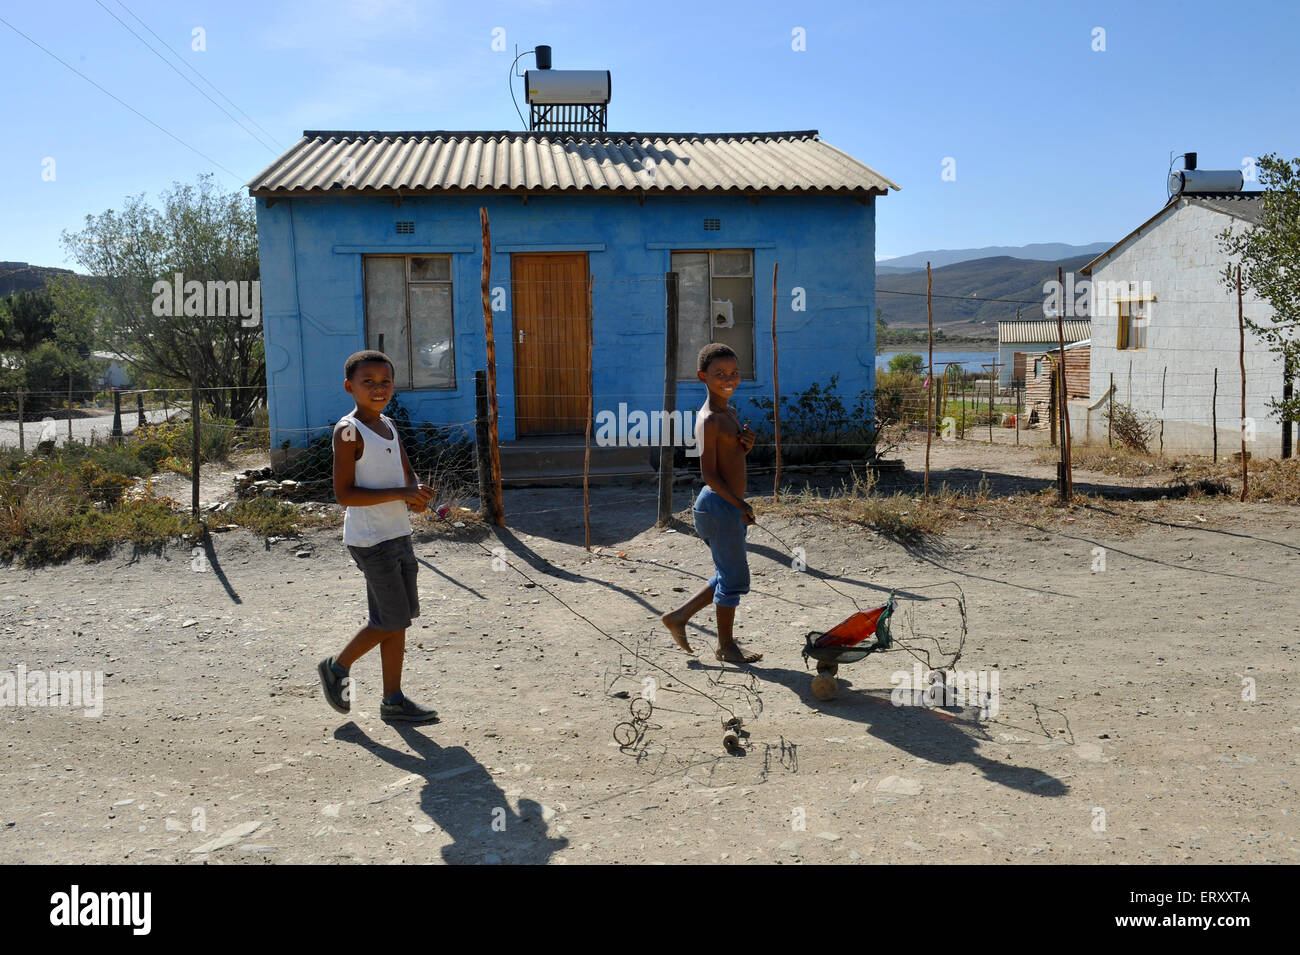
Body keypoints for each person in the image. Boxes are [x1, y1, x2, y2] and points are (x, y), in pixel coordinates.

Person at [317, 350, 439, 721]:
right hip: (370, 538)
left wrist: (415, 493)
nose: (377, 388)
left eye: (385, 381)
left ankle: (393, 699)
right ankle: (337, 667)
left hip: (397, 532)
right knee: (389, 619)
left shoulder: (388, 424)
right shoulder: (349, 430)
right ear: (348, 387)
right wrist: (401, 494)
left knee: (398, 618)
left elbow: (406, 473)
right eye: (367, 382)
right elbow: (344, 495)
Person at [661, 343, 762, 663]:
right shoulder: (708, 420)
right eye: (719, 374)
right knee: (734, 579)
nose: (728, 379)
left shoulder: (729, 413)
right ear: (703, 377)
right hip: (718, 506)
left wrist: (746, 447)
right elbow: (709, 476)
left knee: (727, 573)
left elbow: (728, 462)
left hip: (724, 505)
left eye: (734, 373)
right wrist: (739, 505)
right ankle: (726, 646)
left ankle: (679, 616)